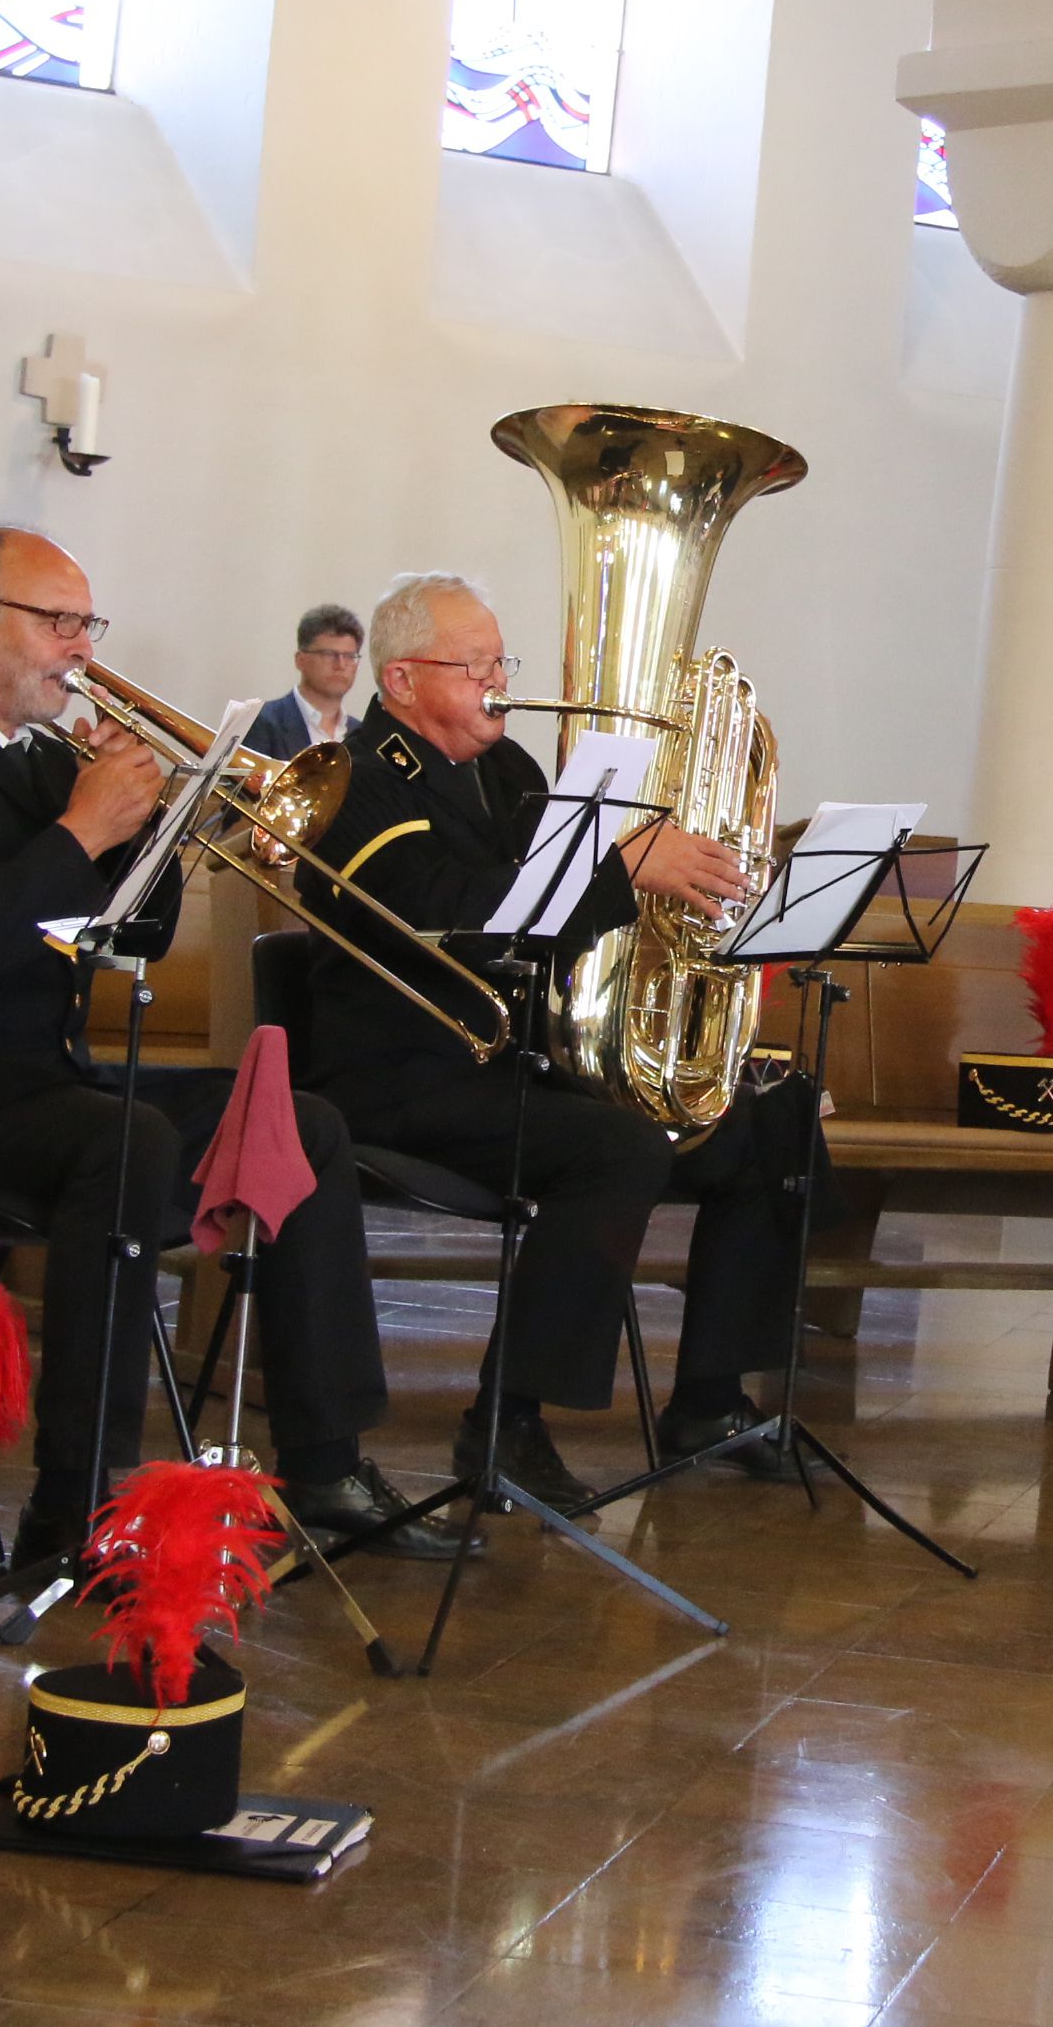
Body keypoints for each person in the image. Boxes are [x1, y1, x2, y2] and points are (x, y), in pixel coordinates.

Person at [0, 527, 468, 1566]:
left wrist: (160, 828)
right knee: (127, 1142)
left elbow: (127, 936)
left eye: (86, 623)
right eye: (58, 621)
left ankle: (324, 1465)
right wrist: (83, 829)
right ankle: (76, 1504)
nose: (82, 648)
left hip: (35, 1079)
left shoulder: (39, 761)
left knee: (298, 1122)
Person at [293, 571, 801, 1508]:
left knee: (769, 1121)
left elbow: (564, 918)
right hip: (405, 1073)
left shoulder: (512, 772)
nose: (498, 682)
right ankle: (507, 1422)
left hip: (516, 1062)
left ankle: (709, 1400)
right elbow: (442, 915)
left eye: (501, 662)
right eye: (474, 665)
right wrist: (620, 871)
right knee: (617, 1148)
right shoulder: (353, 780)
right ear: (401, 680)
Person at [245, 602, 363, 762]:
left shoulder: (362, 734)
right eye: (329, 654)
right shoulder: (262, 722)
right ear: (300, 660)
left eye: (350, 656)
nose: (341, 665)